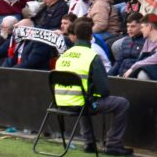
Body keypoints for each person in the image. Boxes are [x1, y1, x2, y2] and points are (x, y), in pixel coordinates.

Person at [54, 19, 132, 156]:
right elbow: (103, 90)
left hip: (60, 103)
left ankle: (89, 142)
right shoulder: (92, 56)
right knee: (122, 103)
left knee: (86, 97)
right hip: (81, 104)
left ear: (75, 37)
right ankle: (113, 144)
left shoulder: (63, 56)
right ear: (91, 37)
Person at [123, 16, 157, 82]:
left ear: (149, 27)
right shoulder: (148, 40)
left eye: (142, 27)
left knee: (142, 74)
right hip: (152, 69)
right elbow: (142, 58)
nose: (141, 30)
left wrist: (133, 67)